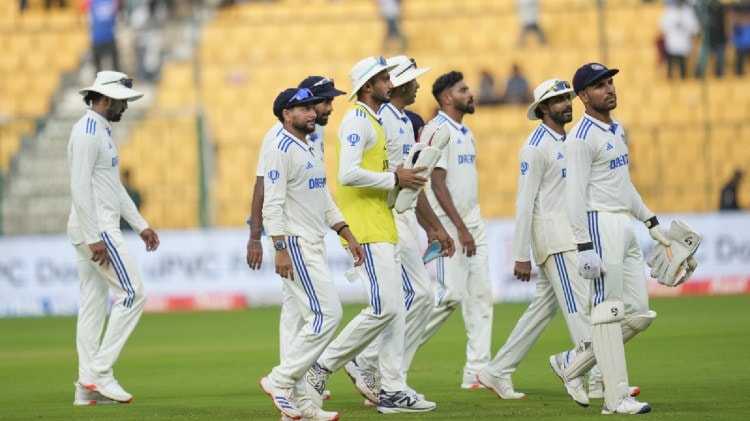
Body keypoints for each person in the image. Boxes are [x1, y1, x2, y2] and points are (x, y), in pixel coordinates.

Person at [304, 56, 436, 414]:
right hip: (365, 228)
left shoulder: (375, 122)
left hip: (383, 224)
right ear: (367, 87)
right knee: (384, 307)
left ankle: (393, 389)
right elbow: (346, 174)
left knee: (394, 312)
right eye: (381, 78)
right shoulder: (356, 121)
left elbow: (376, 177)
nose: (388, 81)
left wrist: (398, 188)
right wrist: (395, 179)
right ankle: (322, 366)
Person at [548, 63, 672, 415]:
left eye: (610, 82)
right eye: (600, 86)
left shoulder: (616, 129)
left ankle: (572, 364)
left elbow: (623, 184)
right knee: (608, 311)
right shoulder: (580, 138)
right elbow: (574, 195)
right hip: (599, 224)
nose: (609, 89)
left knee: (638, 313)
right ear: (583, 97)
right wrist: (584, 245)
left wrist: (650, 220)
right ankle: (615, 399)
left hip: (624, 224)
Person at [343, 55, 456, 405]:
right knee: (412, 298)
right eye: (413, 80)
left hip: (399, 214)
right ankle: (381, 375)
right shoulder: (383, 122)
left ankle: (376, 369)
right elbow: (401, 180)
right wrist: (434, 226)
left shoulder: (403, 121)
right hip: (387, 216)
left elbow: (411, 183)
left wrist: (434, 226)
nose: (418, 85)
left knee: (418, 297)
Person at [476, 78, 594, 403]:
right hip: (555, 241)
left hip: (570, 237)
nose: (566, 104)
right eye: (558, 100)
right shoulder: (534, 146)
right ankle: (591, 375)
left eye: (567, 98)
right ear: (543, 108)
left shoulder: (568, 141)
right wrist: (521, 253)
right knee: (578, 309)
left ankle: (497, 370)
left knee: (542, 310)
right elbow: (524, 202)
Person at [258, 87, 365, 421]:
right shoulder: (279, 148)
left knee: (313, 320)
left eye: (310, 107)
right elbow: (271, 205)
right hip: (295, 244)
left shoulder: (309, 146)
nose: (310, 113)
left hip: (315, 242)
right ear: (286, 115)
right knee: (327, 314)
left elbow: (324, 199)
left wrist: (345, 232)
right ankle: (280, 380)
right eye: (302, 108)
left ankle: (303, 403)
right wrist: (278, 248)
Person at [69, 71, 159, 405]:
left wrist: (140, 225)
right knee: (133, 293)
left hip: (93, 226)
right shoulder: (88, 132)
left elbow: (112, 187)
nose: (125, 107)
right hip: (96, 229)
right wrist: (94, 236)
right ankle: (99, 373)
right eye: (121, 101)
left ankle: (84, 388)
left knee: (92, 306)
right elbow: (79, 187)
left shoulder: (101, 131)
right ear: (106, 99)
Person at [419, 71, 494, 390]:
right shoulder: (438, 130)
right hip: (452, 226)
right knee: (450, 295)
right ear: (447, 97)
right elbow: (436, 183)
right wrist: (460, 229)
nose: (470, 93)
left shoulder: (466, 131)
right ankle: (389, 353)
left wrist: (470, 225)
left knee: (480, 296)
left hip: (471, 222)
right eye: (463, 90)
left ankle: (477, 371)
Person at [659, 0, 701, 79]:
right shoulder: (669, 11)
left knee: (682, 69)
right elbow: (662, 27)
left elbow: (694, 29)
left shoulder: (688, 12)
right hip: (672, 44)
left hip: (684, 44)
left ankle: (683, 84)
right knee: (670, 67)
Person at [694, 0, 728, 78]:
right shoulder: (701, 7)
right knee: (701, 61)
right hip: (706, 39)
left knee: (720, 61)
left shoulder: (720, 7)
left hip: (719, 38)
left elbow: (728, 19)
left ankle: (719, 79)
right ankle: (697, 78)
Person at [87, 0, 121, 73]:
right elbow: (89, 19)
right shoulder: (92, 2)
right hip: (97, 38)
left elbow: (117, 14)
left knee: (116, 67)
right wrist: (90, 36)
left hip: (110, 37)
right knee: (97, 69)